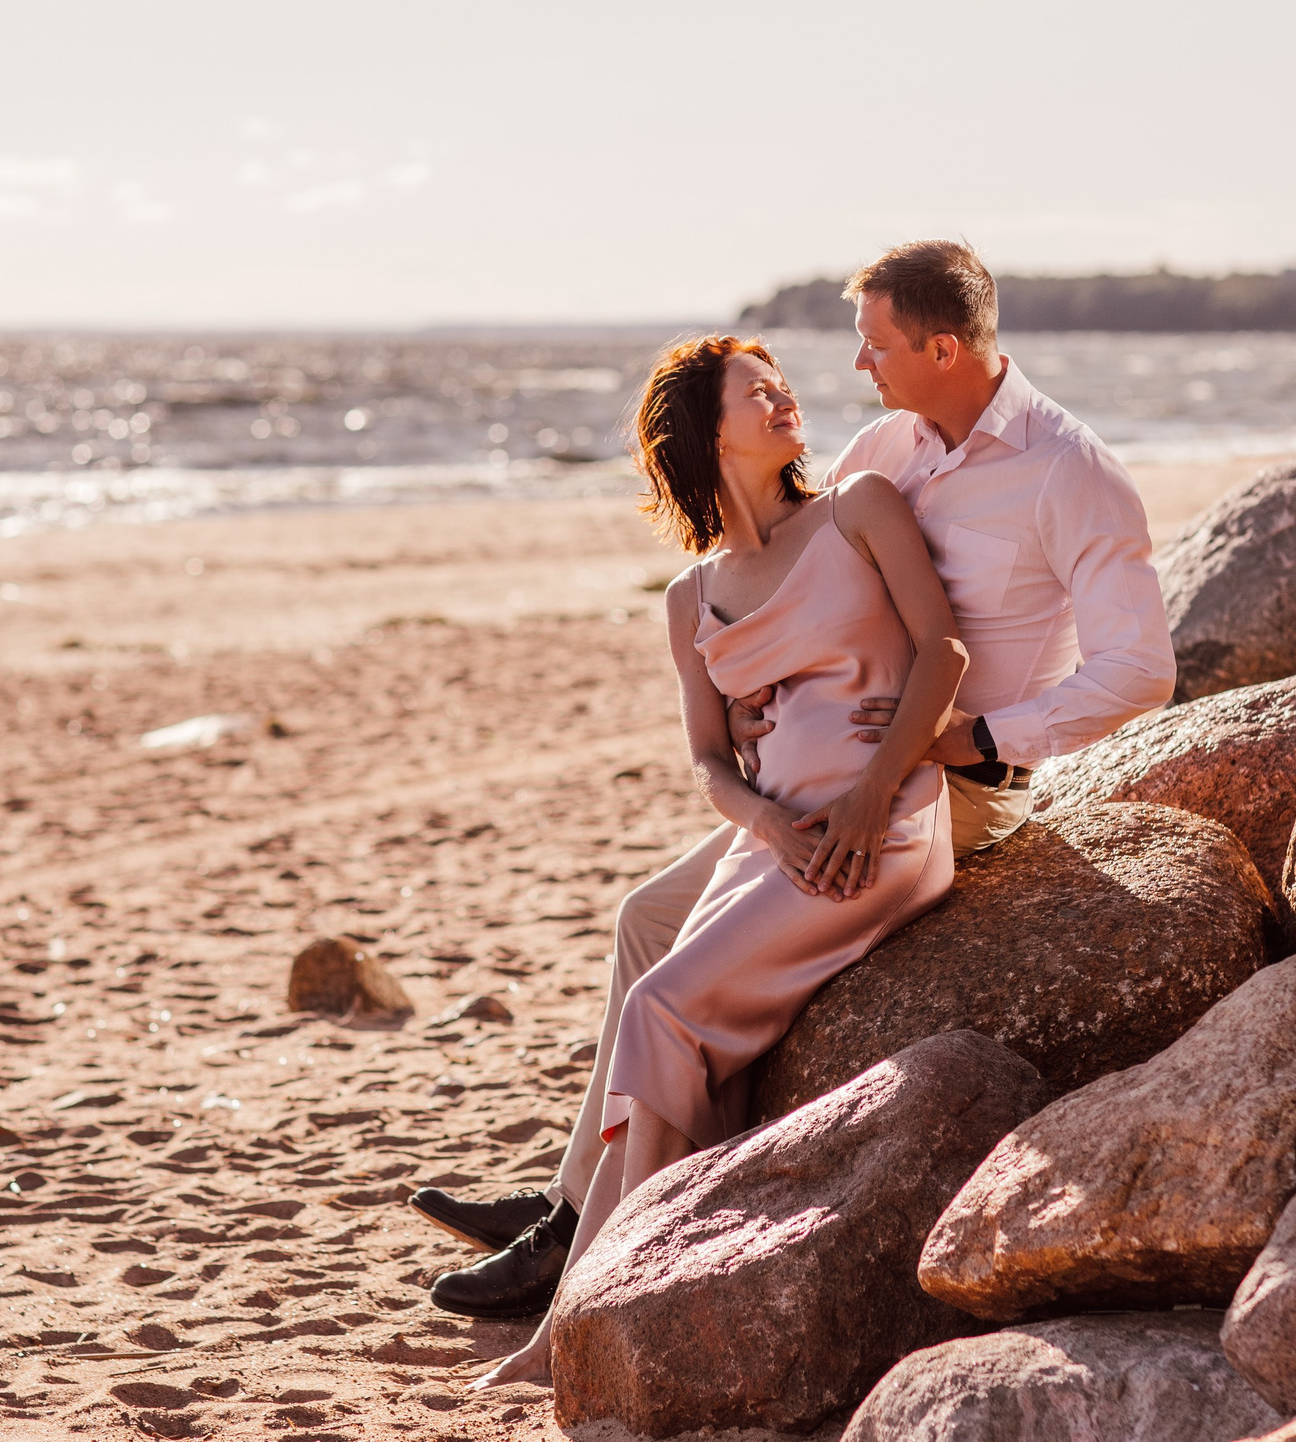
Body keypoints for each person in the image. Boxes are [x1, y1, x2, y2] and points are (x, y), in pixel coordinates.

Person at [414, 239, 1176, 1322]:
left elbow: (1139, 669)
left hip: (953, 778)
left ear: (942, 346)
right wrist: (771, 685)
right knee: (643, 920)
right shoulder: (887, 448)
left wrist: (982, 737)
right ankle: (572, 1196)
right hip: (830, 758)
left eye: (874, 345)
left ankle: (587, 1236)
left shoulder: (1069, 471)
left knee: (675, 984)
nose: (855, 368)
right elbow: (806, 572)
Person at [468, 330, 970, 1388]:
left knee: (661, 1008)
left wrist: (869, 796)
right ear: (708, 434)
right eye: (756, 392)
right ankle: (595, 1243)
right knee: (648, 939)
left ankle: (594, 1291)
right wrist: (767, 821)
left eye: (781, 385)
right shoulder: (691, 598)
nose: (784, 399)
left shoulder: (859, 507)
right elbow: (706, 761)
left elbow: (943, 651)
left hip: (879, 818)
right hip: (779, 825)